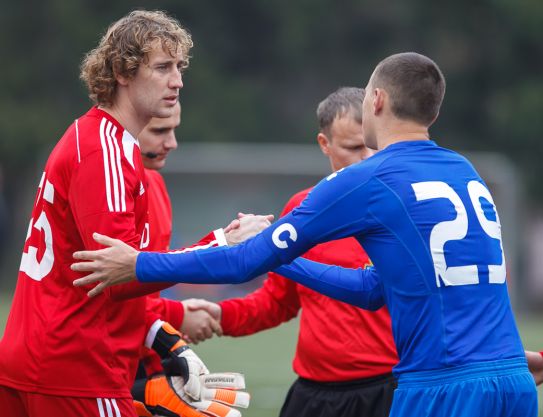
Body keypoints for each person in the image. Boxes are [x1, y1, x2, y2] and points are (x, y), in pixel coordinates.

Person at [72, 52, 538, 416]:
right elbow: (377, 288)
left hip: (442, 387)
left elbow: (242, 263)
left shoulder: (370, 179)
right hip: (514, 380)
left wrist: (139, 264)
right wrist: (287, 258)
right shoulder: (466, 170)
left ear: (375, 102)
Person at [0, 10, 253, 417]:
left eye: (180, 67)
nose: (178, 81)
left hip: (41, 358)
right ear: (122, 70)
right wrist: (221, 244)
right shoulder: (107, 148)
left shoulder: (96, 138)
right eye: (163, 67)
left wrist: (162, 336)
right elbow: (118, 278)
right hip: (73, 367)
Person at [186, 87, 398, 417]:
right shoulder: (302, 210)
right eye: (354, 148)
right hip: (313, 395)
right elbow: (277, 301)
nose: (367, 159)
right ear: (324, 145)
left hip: (389, 393)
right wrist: (219, 317)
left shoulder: (403, 209)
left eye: (374, 147)